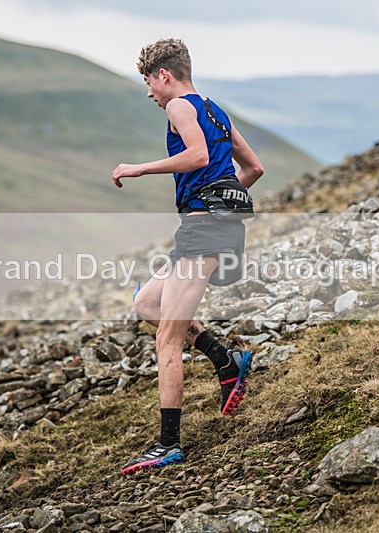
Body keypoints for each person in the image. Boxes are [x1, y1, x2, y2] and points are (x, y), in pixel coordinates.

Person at [112, 38, 264, 475]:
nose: (149, 94)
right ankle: (225, 359)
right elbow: (253, 169)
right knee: (146, 304)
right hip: (210, 228)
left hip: (203, 234)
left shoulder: (180, 106)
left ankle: (168, 445)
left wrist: (139, 168)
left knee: (167, 339)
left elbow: (196, 155)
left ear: (165, 75)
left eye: (148, 83)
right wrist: (221, 202)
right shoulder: (214, 109)